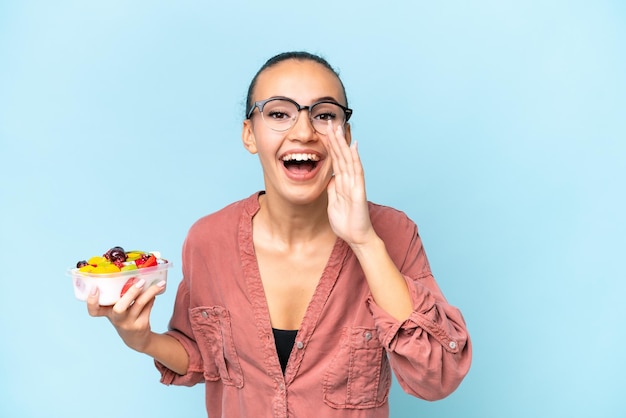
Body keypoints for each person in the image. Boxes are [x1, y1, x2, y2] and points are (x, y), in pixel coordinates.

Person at [87, 51, 472, 417]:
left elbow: (438, 375)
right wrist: (141, 339)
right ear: (250, 135)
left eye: (324, 115)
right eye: (279, 113)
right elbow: (199, 355)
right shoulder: (208, 240)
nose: (303, 131)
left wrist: (364, 241)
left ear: (345, 134)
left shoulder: (394, 234)